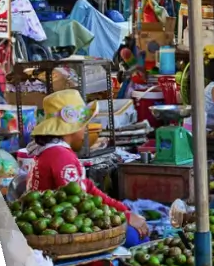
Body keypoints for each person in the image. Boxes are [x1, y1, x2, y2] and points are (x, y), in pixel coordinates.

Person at [26, 89, 149, 242]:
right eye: (84, 125)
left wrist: (125, 211)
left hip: (55, 224)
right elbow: (78, 205)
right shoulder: (61, 157)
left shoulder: (50, 152)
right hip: (58, 236)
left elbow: (88, 189)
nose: (85, 130)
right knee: (136, 237)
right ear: (72, 128)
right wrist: (126, 217)